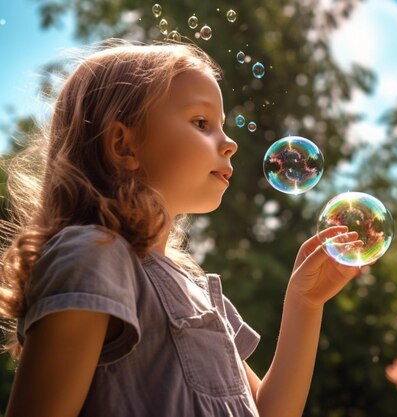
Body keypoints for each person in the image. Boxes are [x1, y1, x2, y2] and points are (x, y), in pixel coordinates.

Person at [0, 39, 363, 417]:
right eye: (202, 123)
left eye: (221, 125)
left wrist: (305, 304)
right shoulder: (92, 255)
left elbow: (270, 411)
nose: (230, 144)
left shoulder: (198, 292)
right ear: (123, 145)